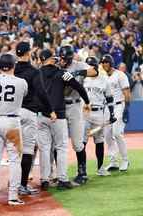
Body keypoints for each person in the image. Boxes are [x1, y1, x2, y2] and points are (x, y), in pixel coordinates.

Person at [36, 49, 91, 190]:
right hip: (58, 114)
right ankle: (63, 179)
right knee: (61, 147)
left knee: (45, 148)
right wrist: (87, 101)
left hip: (42, 114)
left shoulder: (36, 74)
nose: (57, 60)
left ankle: (44, 180)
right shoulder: (61, 73)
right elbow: (78, 86)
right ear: (52, 59)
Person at [0, 53, 27, 206]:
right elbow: (24, 94)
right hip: (12, 122)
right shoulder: (21, 82)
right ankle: (13, 196)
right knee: (15, 160)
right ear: (14, 65)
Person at [59, 45, 98, 185]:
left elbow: (94, 71)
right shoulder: (57, 65)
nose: (62, 61)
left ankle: (82, 172)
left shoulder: (77, 64)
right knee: (59, 143)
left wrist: (77, 73)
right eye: (61, 58)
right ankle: (57, 174)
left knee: (77, 142)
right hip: (60, 106)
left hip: (75, 105)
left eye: (64, 58)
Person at [83, 56, 117, 176]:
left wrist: (112, 113)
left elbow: (109, 98)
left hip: (99, 113)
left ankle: (100, 168)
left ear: (95, 67)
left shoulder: (104, 80)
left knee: (99, 141)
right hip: (85, 113)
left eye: (90, 66)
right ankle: (82, 171)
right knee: (82, 142)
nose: (88, 69)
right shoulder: (83, 79)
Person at [14, 41, 39, 195]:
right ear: (28, 53)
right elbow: (41, 93)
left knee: (14, 151)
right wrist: (49, 109)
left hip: (12, 113)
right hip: (28, 112)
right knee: (28, 150)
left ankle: (14, 182)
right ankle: (22, 184)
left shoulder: (11, 69)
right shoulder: (33, 71)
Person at [101, 54, 131, 172]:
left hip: (119, 105)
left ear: (111, 63)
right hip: (107, 108)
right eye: (102, 62)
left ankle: (125, 159)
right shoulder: (102, 76)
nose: (104, 64)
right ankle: (113, 161)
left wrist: (126, 109)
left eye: (106, 62)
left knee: (117, 133)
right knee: (107, 135)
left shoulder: (120, 74)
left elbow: (127, 92)